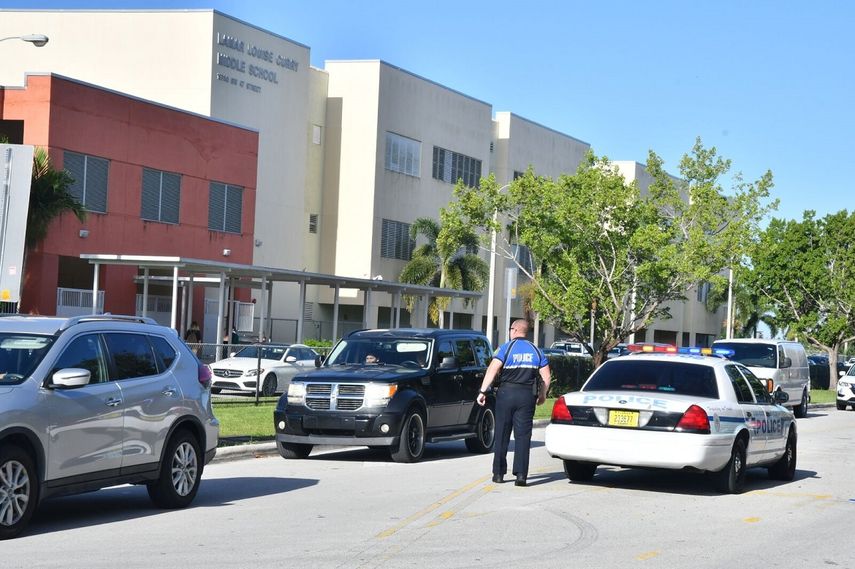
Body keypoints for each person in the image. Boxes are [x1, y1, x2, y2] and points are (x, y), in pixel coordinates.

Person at [476, 319, 551, 487]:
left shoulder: (506, 348)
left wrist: (482, 391)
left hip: (506, 394)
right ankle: (521, 475)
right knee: (523, 436)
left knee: (502, 433)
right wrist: (542, 395)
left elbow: (493, 369)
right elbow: (546, 376)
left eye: (510, 329)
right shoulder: (536, 351)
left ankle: (498, 473)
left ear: (515, 330)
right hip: (526, 396)